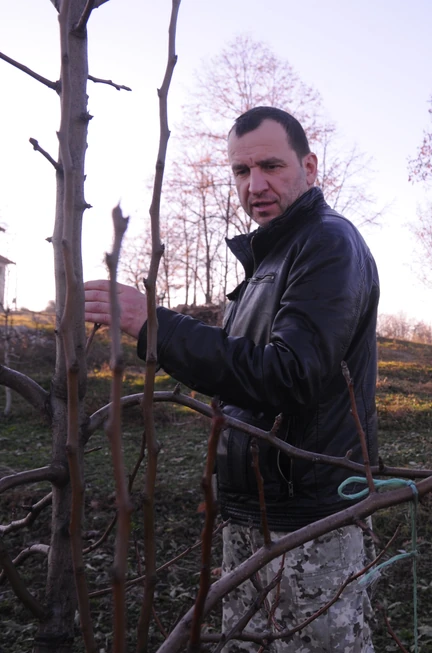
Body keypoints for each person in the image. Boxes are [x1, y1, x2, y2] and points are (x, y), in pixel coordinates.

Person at [85, 106, 380, 652]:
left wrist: (155, 325)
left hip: (311, 522)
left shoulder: (328, 244)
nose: (255, 185)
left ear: (310, 168)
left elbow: (292, 376)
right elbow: (240, 378)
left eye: (271, 166)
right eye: (241, 172)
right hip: (251, 514)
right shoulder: (270, 259)